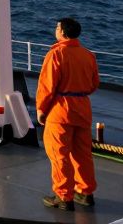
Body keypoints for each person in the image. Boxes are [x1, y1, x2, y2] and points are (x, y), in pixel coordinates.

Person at [36, 17, 99, 210]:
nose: (55, 30)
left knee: (59, 154)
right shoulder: (88, 55)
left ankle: (63, 196)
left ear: (62, 32)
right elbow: (94, 84)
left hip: (61, 110)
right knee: (82, 153)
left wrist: (41, 109)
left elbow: (47, 86)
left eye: (57, 27)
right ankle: (85, 192)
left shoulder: (56, 54)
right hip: (82, 108)